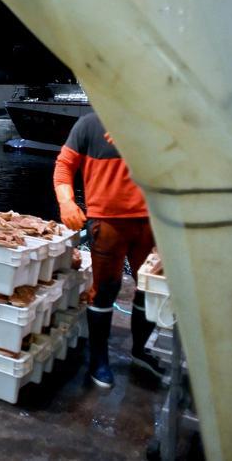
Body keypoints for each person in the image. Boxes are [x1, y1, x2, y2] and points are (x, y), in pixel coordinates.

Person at [53, 112, 164, 388]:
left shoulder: (158, 122)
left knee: (149, 288)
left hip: (152, 222)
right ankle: (98, 360)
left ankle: (140, 351)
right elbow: (65, 166)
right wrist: (67, 203)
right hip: (107, 223)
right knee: (105, 289)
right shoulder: (88, 124)